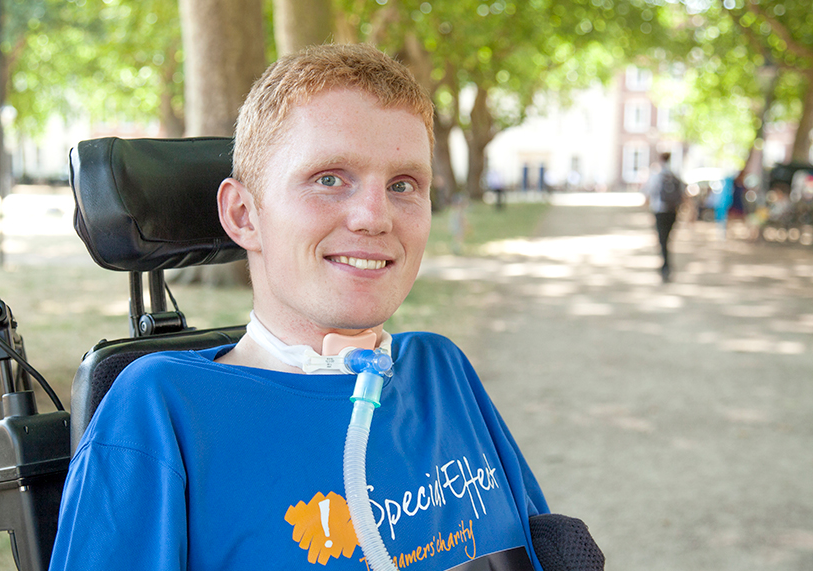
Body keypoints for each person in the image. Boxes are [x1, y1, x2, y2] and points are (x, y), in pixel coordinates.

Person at [51, 44, 550, 570]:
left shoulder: (440, 371)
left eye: (404, 184)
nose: (373, 217)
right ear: (243, 214)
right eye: (329, 179)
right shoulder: (163, 409)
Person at [641, 151, 683, 282]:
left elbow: (647, 191)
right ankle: (666, 264)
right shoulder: (675, 174)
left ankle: (665, 266)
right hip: (672, 211)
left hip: (660, 210)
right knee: (668, 238)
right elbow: (682, 193)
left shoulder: (657, 175)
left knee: (662, 238)